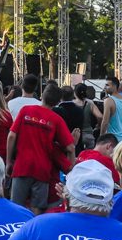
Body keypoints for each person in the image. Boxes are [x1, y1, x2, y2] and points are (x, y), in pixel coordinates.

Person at [6, 83, 75, 214]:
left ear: (42, 95)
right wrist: (71, 171)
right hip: (42, 170)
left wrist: (9, 161)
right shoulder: (56, 119)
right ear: (57, 102)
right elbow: (70, 147)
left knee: (16, 208)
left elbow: (11, 136)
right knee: (37, 209)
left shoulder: (25, 110)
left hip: (22, 166)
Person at [99, 76, 122, 142]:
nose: (105, 87)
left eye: (107, 85)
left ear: (114, 86)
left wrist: (101, 138)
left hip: (113, 139)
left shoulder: (108, 100)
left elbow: (105, 121)